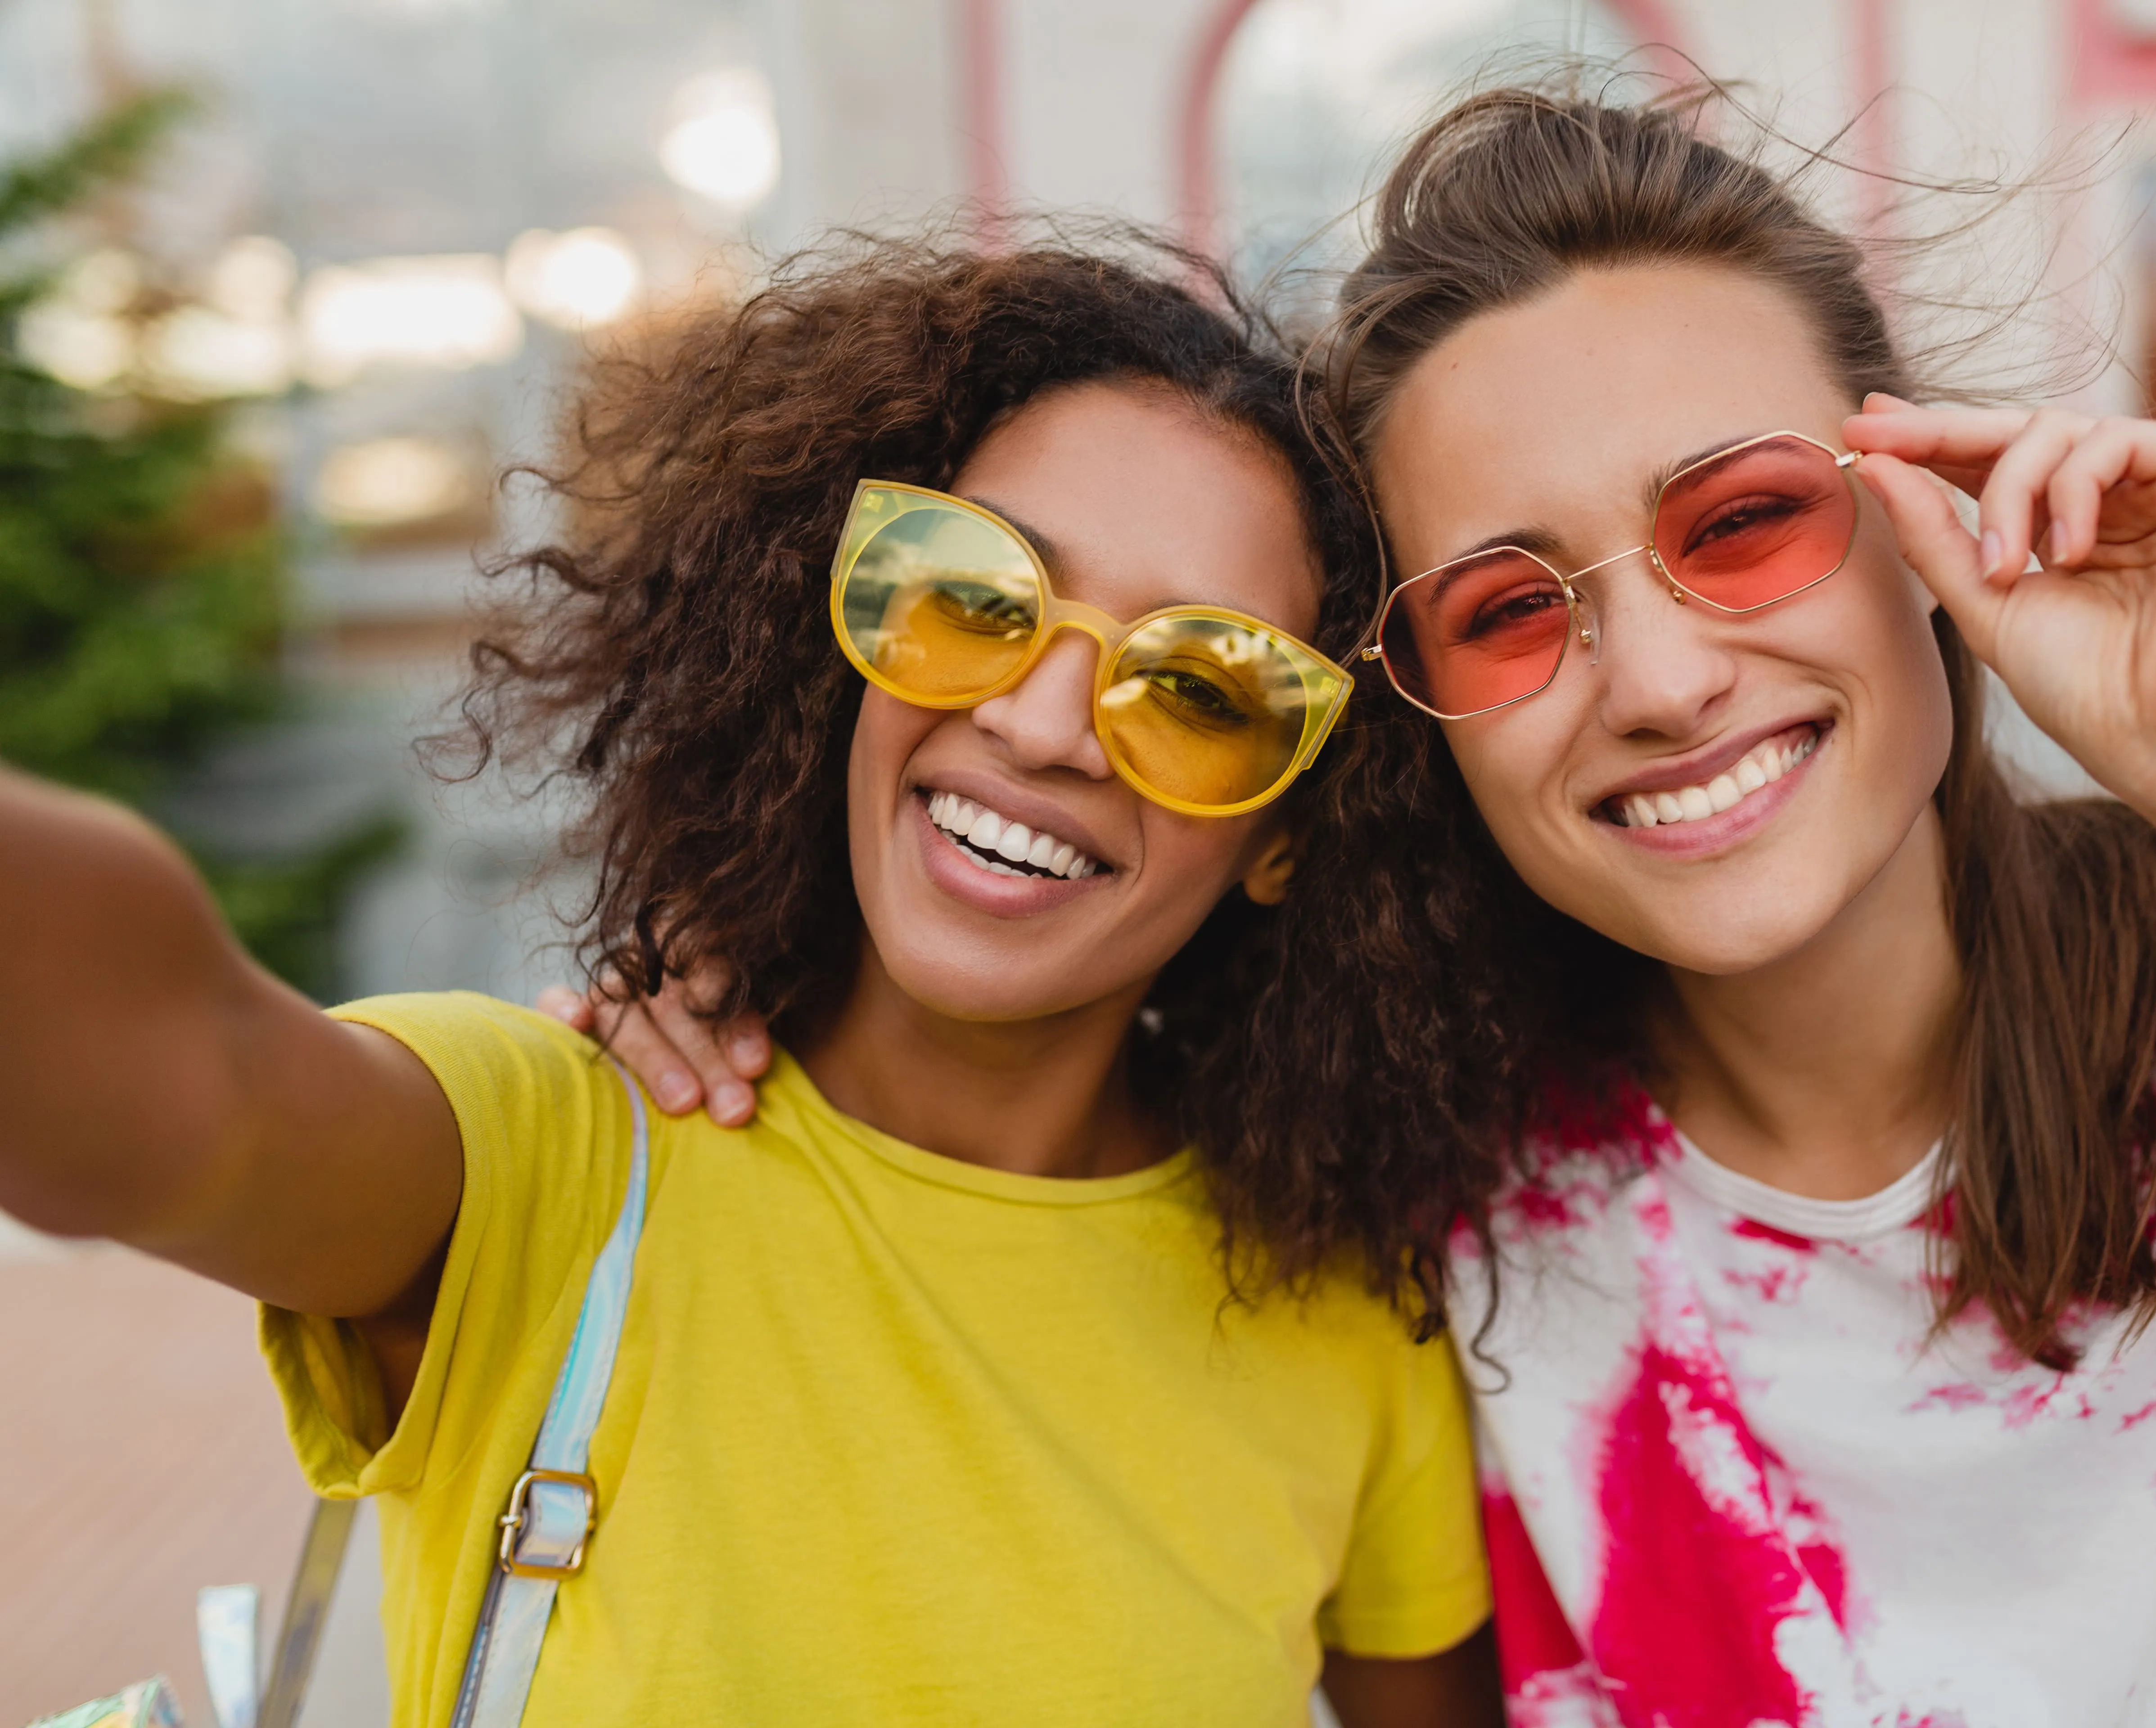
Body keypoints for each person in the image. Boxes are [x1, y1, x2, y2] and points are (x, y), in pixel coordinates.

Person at [613, 86, 2156, 1726]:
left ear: (1925, 529)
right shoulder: (1424, 1184)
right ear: (1421, 733)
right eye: (1505, 610)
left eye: (1741, 523)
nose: (1652, 679)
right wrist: (724, 979)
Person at [0, 235, 1498, 1728]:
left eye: (1202, 688)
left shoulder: (1344, 1306)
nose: (1046, 727)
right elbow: (169, 1072)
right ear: (839, 641)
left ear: (1296, 830)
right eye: (974, 599)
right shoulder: (550, 1163)